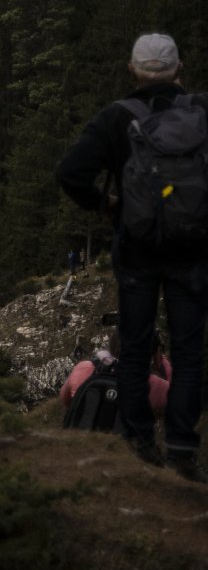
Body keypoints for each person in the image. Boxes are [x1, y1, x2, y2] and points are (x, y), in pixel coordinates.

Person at [55, 33, 207, 482]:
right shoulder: (201, 111)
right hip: (194, 251)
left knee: (135, 349)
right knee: (189, 352)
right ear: (179, 69)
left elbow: (70, 173)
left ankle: (138, 443)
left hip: (138, 252)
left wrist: (107, 205)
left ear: (133, 70)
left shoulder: (117, 118)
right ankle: (182, 448)